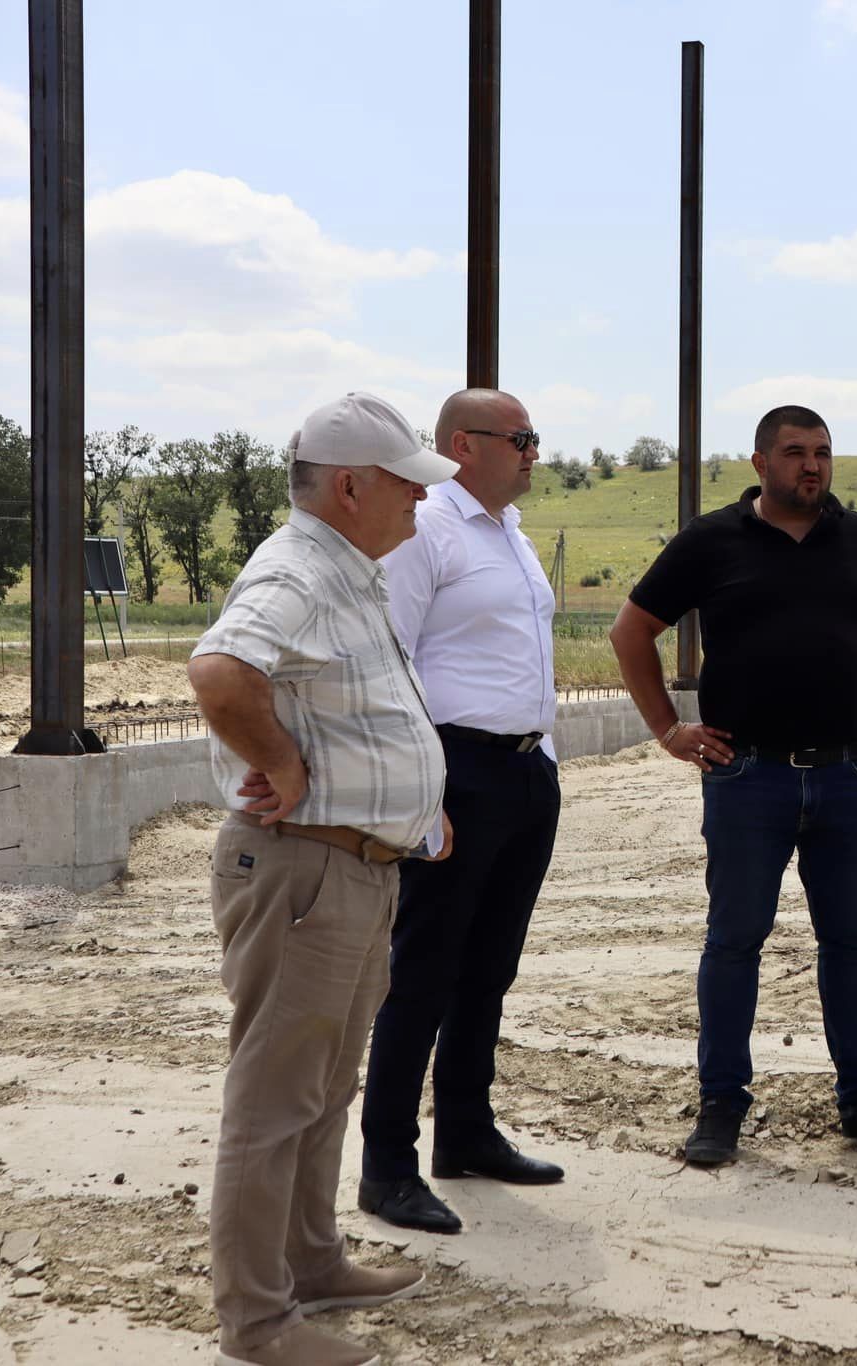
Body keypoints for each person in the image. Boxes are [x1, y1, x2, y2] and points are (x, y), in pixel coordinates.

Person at [188, 391, 460, 1366]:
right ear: (349, 487)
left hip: (352, 868)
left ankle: (311, 1263)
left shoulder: (349, 571)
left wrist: (413, 805)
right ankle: (257, 1320)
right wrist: (281, 762)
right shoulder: (297, 568)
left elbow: (352, 710)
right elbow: (221, 670)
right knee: (274, 1100)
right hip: (304, 869)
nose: (419, 502)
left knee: (324, 1086)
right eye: (405, 485)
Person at [607, 404, 857, 1168]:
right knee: (733, 943)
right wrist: (667, 728)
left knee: (850, 942)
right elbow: (631, 631)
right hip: (745, 778)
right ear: (760, 462)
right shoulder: (711, 541)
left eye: (822, 452)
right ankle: (721, 1105)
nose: (813, 465)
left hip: (848, 775)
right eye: (796, 452)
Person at [355, 388, 565, 1235]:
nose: (534, 452)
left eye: (534, 438)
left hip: (525, 771)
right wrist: (425, 787)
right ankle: (387, 1167)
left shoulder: (511, 534)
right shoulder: (428, 530)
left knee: (489, 969)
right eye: (521, 438)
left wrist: (542, 761)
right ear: (462, 444)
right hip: (458, 771)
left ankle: (467, 1133)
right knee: (424, 973)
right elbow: (391, 658)